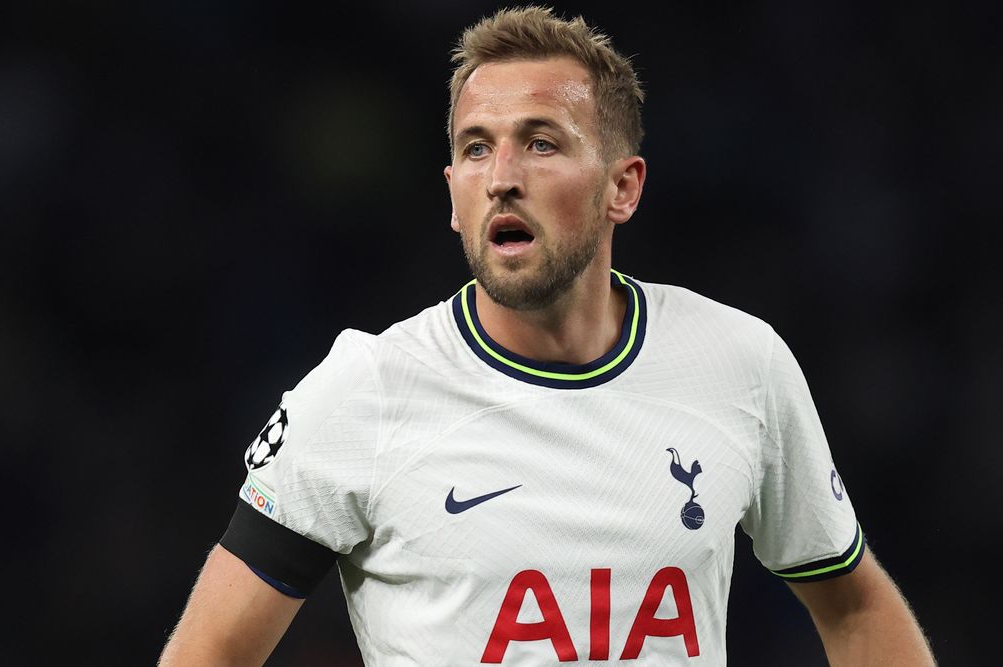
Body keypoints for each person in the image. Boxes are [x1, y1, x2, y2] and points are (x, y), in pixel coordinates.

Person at [159, 6, 934, 665]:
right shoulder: (366, 388)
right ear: (455, 199)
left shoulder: (740, 362)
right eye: (475, 147)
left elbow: (856, 606)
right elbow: (210, 651)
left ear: (621, 187)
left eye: (540, 142)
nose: (501, 174)